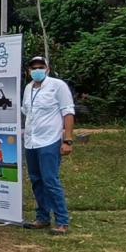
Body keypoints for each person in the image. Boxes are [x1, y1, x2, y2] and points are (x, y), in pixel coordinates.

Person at [22, 56, 75, 235]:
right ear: (29, 71)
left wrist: (67, 140)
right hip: (31, 142)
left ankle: (62, 221)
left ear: (47, 68)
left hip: (49, 141)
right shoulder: (28, 88)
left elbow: (68, 112)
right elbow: (26, 112)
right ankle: (42, 217)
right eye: (33, 67)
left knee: (50, 180)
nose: (36, 70)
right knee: (36, 180)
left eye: (40, 67)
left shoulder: (58, 86)